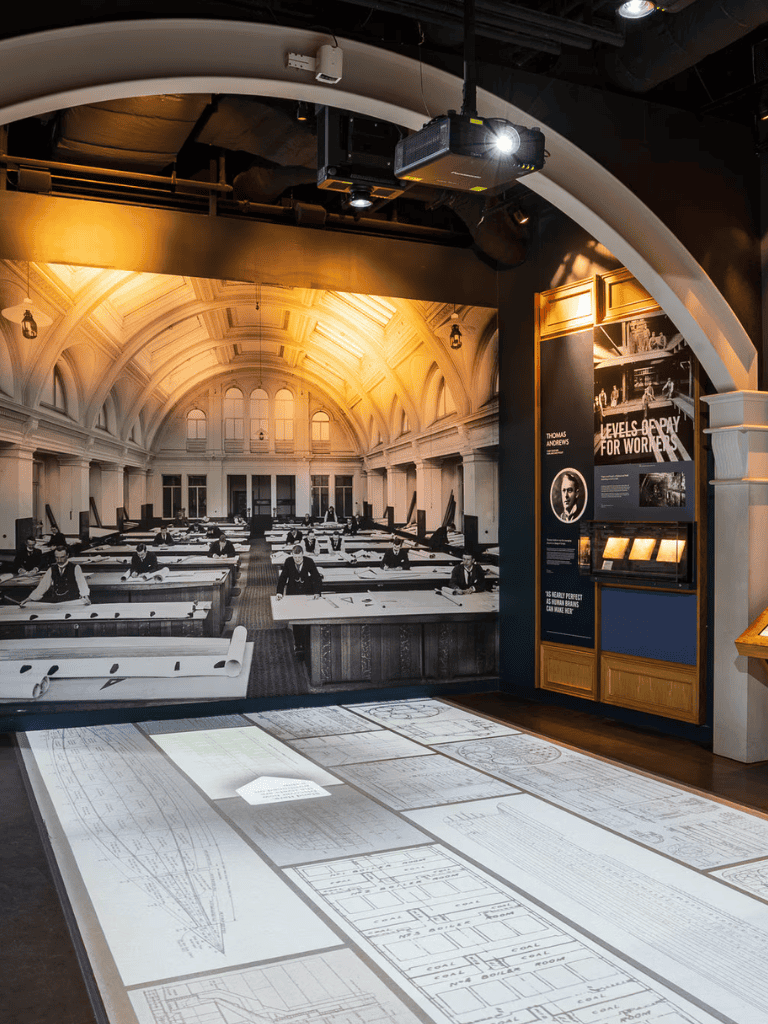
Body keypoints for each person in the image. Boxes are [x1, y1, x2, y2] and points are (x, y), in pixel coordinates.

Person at [275, 544, 323, 657]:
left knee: (307, 617)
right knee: (296, 619)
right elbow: (283, 578)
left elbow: (316, 578)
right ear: (292, 555)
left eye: (299, 558)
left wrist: (317, 592)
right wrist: (279, 592)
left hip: (307, 592)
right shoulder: (288, 562)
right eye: (295, 557)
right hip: (293, 592)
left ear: (303, 555)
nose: (297, 560)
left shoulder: (309, 561)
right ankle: (298, 644)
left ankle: (307, 642)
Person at [20, 545, 90, 606]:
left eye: (62, 557)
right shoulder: (51, 569)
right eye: (57, 557)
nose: (59, 560)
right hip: (57, 601)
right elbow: (43, 586)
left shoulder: (75, 567)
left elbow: (82, 583)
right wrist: (29, 599)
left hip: (72, 601)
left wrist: (85, 596)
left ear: (67, 555)